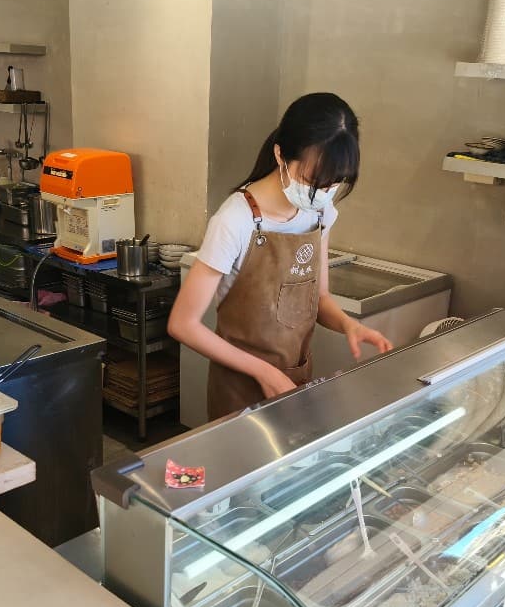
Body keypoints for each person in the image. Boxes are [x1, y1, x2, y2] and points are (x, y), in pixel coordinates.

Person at [168, 92, 392, 420]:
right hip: (239, 388)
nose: (323, 192)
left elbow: (319, 298)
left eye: (334, 182)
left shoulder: (320, 212)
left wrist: (349, 325)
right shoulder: (235, 220)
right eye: (313, 180)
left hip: (295, 379)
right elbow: (183, 324)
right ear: (280, 154)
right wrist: (263, 372)